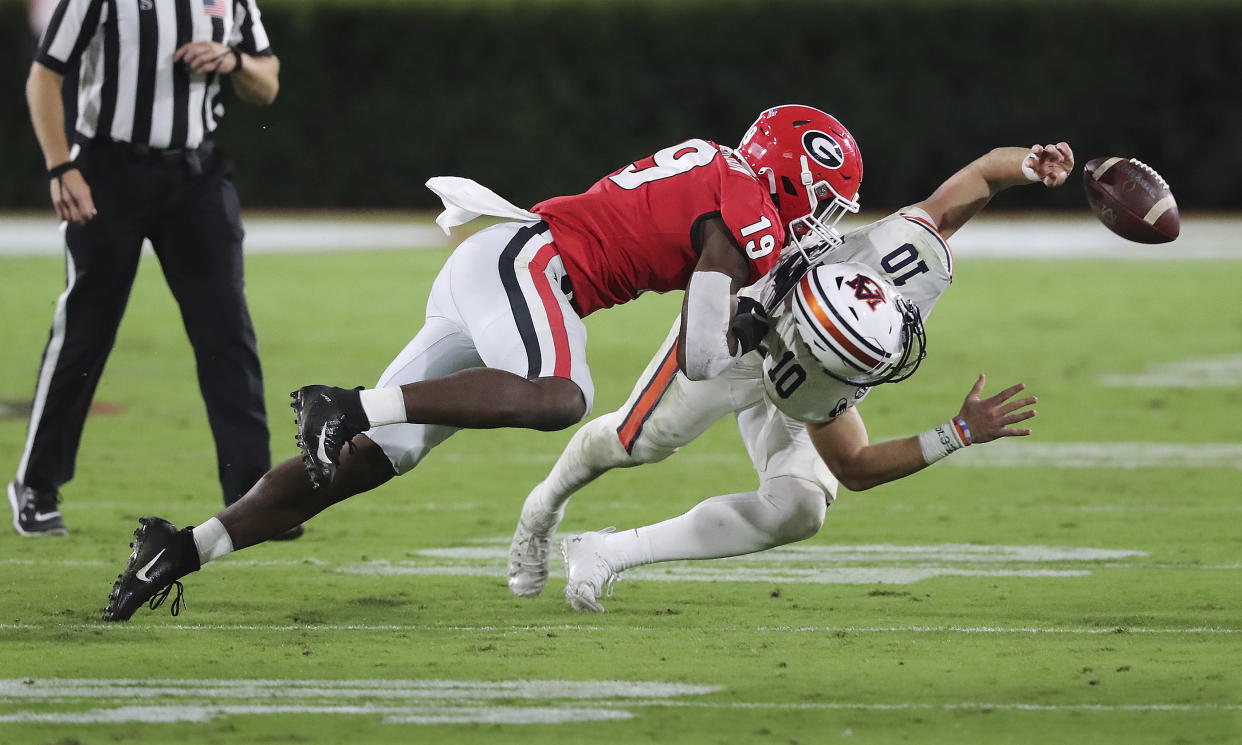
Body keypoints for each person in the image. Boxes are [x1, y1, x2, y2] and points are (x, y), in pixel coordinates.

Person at [99, 104, 865, 621]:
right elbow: (700, 356)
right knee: (561, 395)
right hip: (533, 268)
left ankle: (182, 545)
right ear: (795, 174)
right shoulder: (750, 211)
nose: (820, 221)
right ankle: (350, 404)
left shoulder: (727, 171)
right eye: (825, 199)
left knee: (367, 464)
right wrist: (758, 321)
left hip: (501, 267)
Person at [505, 142, 1075, 611]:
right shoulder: (818, 378)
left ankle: (608, 552)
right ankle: (542, 507)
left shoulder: (898, 263)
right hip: (738, 337)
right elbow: (854, 466)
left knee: (799, 507)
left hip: (807, 329)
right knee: (633, 443)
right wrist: (957, 434)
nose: (886, 361)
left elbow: (977, 176)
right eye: (860, 362)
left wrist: (1027, 166)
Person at [10, 0, 282, 539]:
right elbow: (44, 73)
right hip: (109, 169)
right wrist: (61, 165)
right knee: (86, 332)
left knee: (228, 333)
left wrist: (232, 62)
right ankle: (36, 484)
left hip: (196, 174)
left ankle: (254, 496)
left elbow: (267, 80)